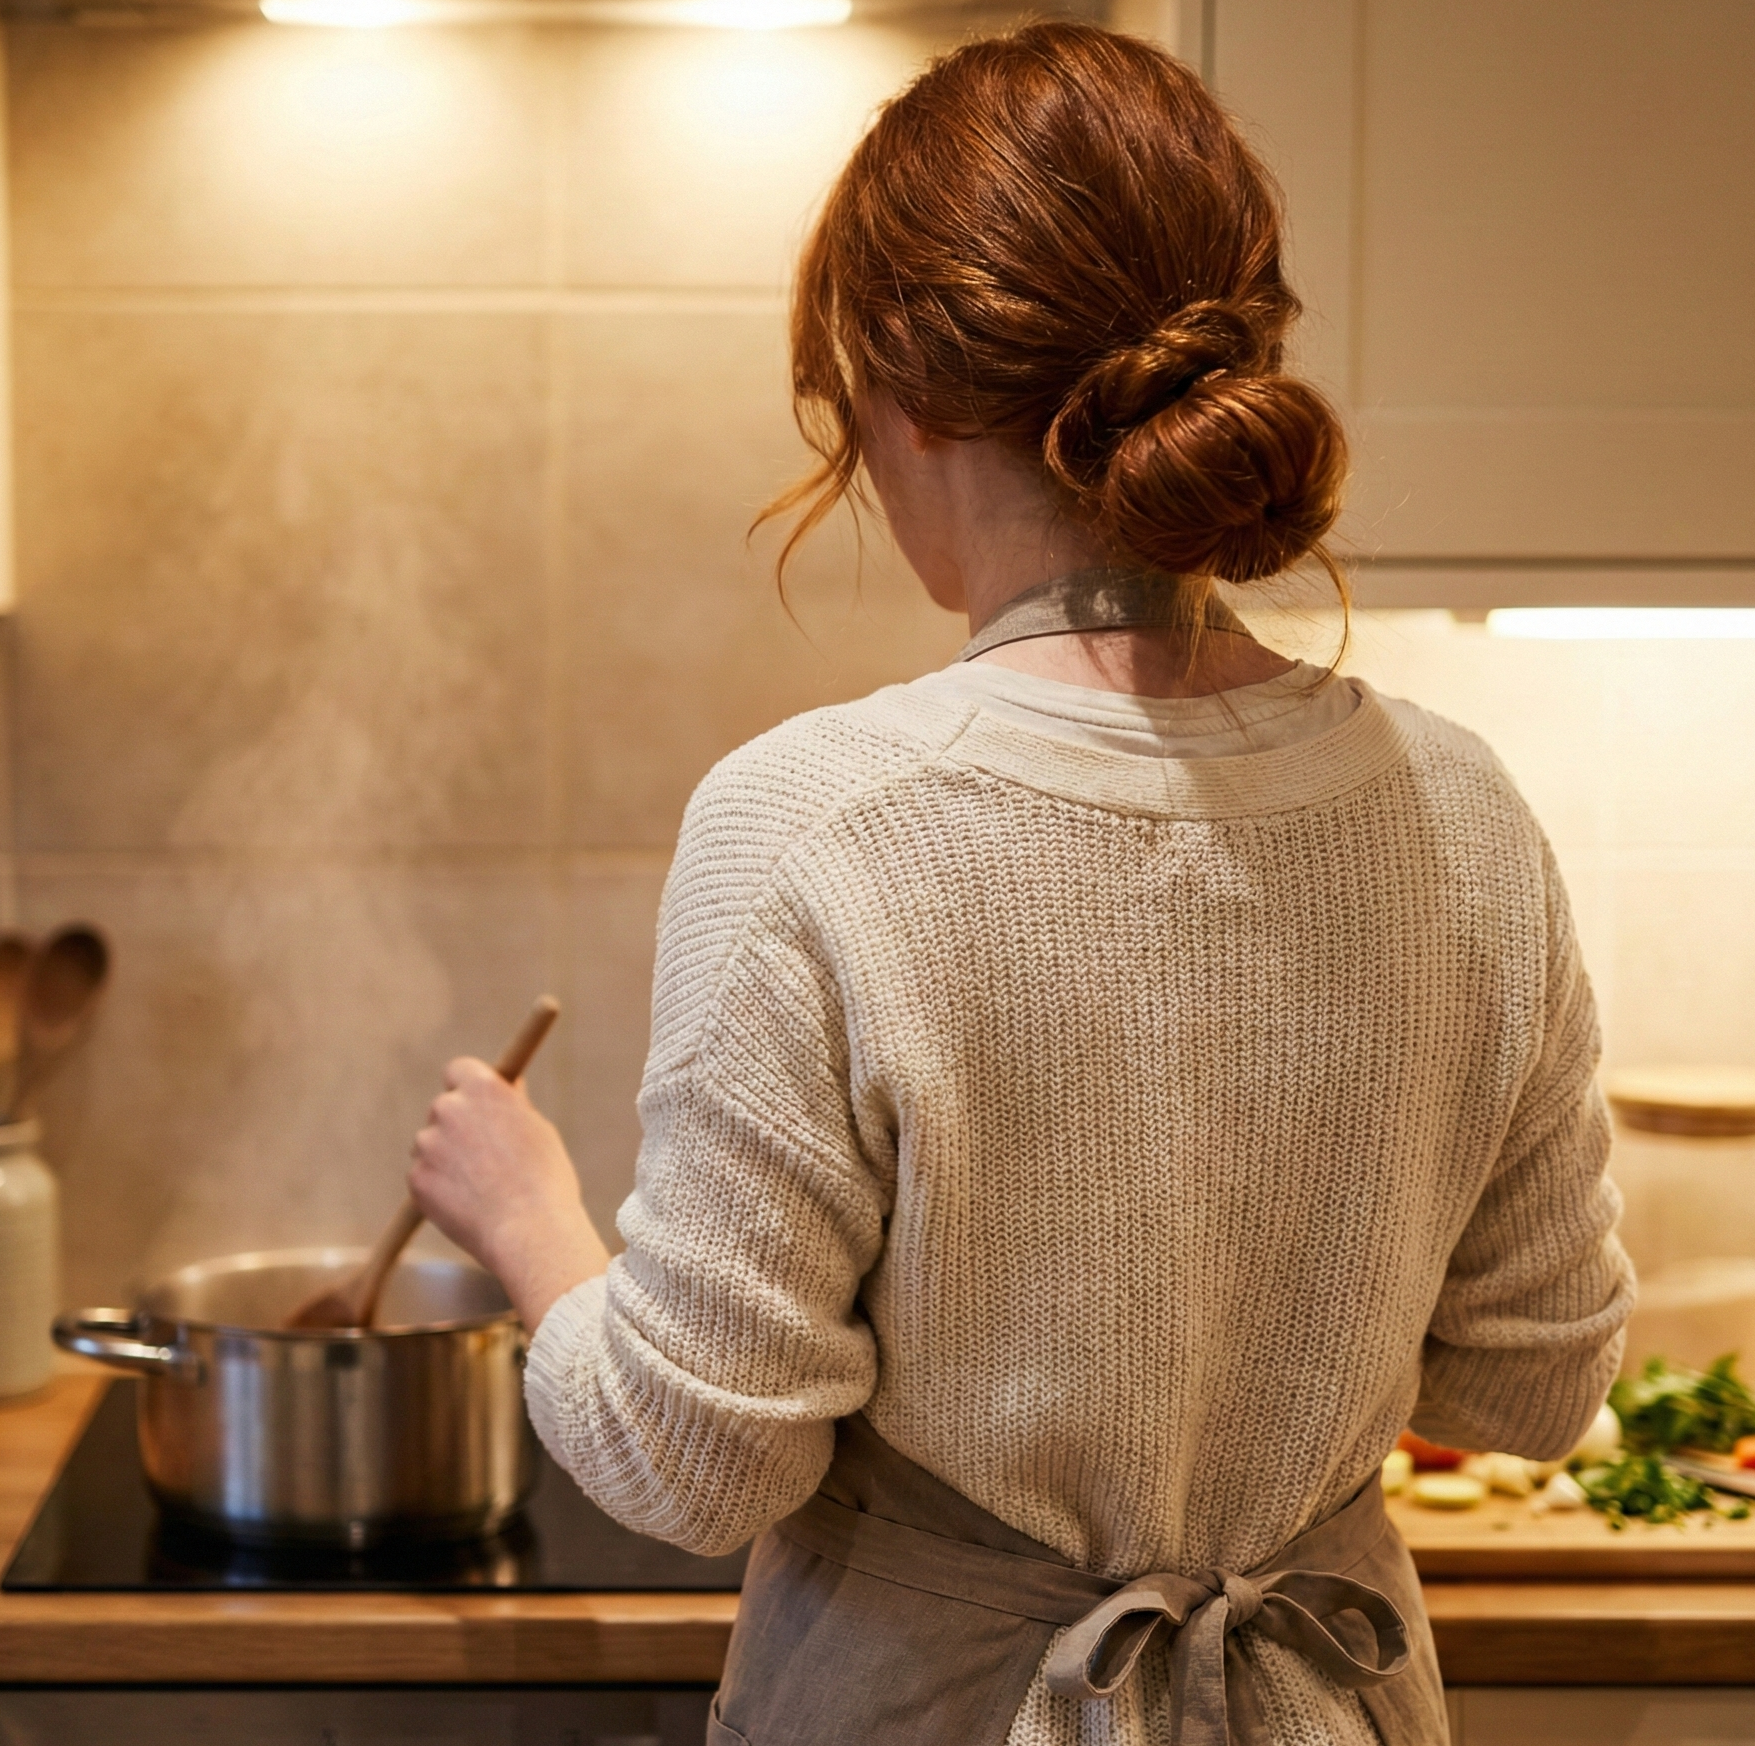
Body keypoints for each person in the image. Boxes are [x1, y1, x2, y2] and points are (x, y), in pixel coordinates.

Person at [411, 22, 1633, 1745]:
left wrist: (531, 1223)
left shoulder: (816, 819)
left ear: (896, 398)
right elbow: (1533, 1380)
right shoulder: (1457, 805)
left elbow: (694, 1460)